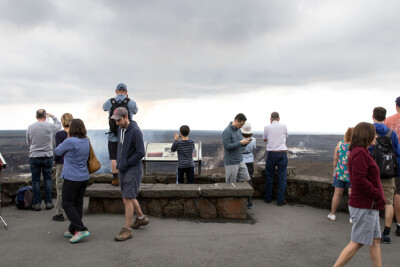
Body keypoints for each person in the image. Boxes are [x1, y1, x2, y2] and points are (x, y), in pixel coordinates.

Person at [333, 122, 385, 267]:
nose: (376, 136)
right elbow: (359, 180)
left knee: (375, 240)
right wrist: (376, 193)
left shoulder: (360, 151)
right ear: (365, 135)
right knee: (357, 242)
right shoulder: (360, 153)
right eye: (373, 133)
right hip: (365, 205)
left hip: (368, 205)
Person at [111, 107, 149, 241]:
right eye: (115, 121)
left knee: (127, 197)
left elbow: (140, 152)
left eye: (119, 120)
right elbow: (120, 148)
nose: (117, 123)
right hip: (123, 168)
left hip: (132, 168)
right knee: (128, 195)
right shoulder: (120, 129)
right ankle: (141, 218)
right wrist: (119, 163)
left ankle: (127, 230)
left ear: (126, 117)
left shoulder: (136, 132)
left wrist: (125, 163)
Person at [54, 119, 91, 243]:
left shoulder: (69, 141)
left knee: (67, 203)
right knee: (77, 203)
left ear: (72, 129)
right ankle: (72, 229)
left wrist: (67, 137)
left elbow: (57, 151)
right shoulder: (86, 140)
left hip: (72, 178)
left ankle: (81, 229)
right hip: (84, 177)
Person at [369, 107, 400, 244]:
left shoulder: (368, 130)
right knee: (389, 202)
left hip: (371, 172)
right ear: (385, 117)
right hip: (388, 173)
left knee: (369, 201)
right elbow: (398, 153)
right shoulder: (391, 133)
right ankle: (386, 233)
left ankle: (369, 230)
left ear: (372, 116)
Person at [103, 83, 138, 186]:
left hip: (113, 135)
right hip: (127, 134)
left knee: (114, 157)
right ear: (126, 92)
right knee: (127, 156)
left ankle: (115, 179)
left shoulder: (110, 102)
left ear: (116, 91)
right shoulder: (131, 102)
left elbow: (104, 108)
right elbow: (135, 111)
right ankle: (127, 177)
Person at [26, 109, 61, 211]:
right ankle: (48, 203)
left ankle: (36, 204)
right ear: (45, 117)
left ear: (36, 116)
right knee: (48, 179)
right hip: (47, 155)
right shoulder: (49, 126)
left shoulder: (30, 127)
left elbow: (28, 141)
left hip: (34, 156)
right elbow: (59, 126)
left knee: (35, 180)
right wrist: (53, 116)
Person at [327, 127, 353, 222]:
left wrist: (335, 170)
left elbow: (335, 158)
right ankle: (352, 217)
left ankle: (333, 214)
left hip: (339, 172)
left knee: (337, 194)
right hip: (352, 174)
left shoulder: (340, 144)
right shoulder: (356, 146)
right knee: (352, 195)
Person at [263, 112, 288, 206]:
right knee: (282, 177)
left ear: (270, 119)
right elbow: (286, 136)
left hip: (271, 153)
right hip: (282, 153)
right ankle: (280, 200)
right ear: (279, 119)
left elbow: (265, 139)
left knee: (269, 175)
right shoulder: (284, 126)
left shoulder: (267, 127)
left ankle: (268, 198)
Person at [53, 113, 73, 222]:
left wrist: (56, 160)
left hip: (62, 163)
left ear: (62, 121)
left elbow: (59, 150)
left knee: (60, 188)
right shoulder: (76, 134)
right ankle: (73, 211)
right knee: (72, 188)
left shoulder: (59, 134)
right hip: (74, 164)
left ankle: (59, 213)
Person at [384, 96, 400, 237]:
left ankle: (399, 224)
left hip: (394, 162)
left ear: (396, 106)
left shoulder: (388, 121)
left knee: (397, 194)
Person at [222, 113, 251, 183]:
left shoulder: (238, 130)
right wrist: (240, 143)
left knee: (246, 179)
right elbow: (227, 146)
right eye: (241, 124)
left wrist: (245, 143)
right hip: (231, 162)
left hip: (240, 160)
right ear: (236, 121)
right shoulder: (227, 131)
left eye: (243, 125)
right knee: (231, 183)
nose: (241, 126)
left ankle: (243, 194)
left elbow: (239, 144)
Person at [241, 121, 256, 209]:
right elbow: (253, 148)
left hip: (241, 160)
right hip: (250, 160)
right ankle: (249, 200)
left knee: (240, 181)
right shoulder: (253, 139)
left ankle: (241, 200)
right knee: (249, 180)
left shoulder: (240, 140)